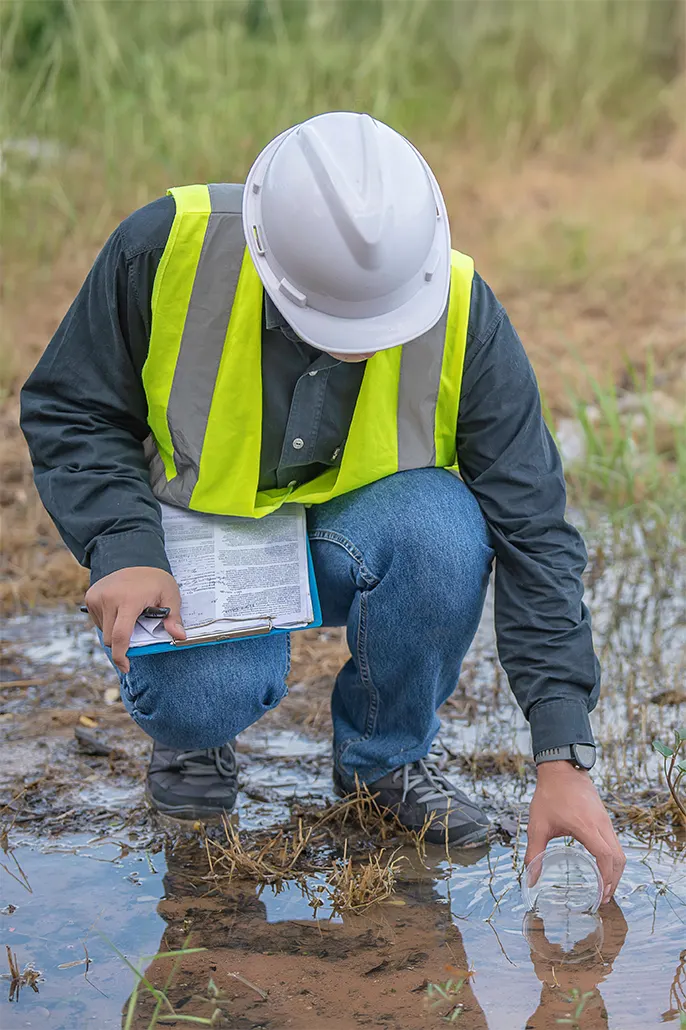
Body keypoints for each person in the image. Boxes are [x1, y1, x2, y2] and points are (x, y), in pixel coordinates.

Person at [20, 111, 625, 896]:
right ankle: (195, 741)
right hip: (196, 547)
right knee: (201, 695)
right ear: (268, 258)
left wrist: (562, 755)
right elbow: (73, 408)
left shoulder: (464, 312)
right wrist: (123, 547)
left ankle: (387, 759)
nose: (358, 344)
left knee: (447, 528)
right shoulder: (165, 248)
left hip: (358, 535)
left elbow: (534, 528)